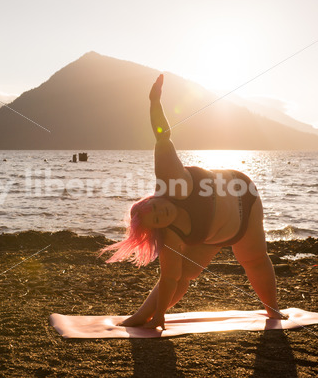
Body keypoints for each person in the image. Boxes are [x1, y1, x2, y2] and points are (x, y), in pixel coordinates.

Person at [100, 74, 286, 330]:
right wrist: (160, 316)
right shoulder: (171, 237)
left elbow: (162, 136)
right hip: (212, 234)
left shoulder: (171, 181)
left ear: (154, 198)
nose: (161, 211)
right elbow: (169, 279)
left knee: (254, 260)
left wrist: (154, 103)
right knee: (183, 275)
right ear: (157, 227)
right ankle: (142, 316)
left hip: (244, 201)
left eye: (154, 205)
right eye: (156, 218)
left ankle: (273, 310)